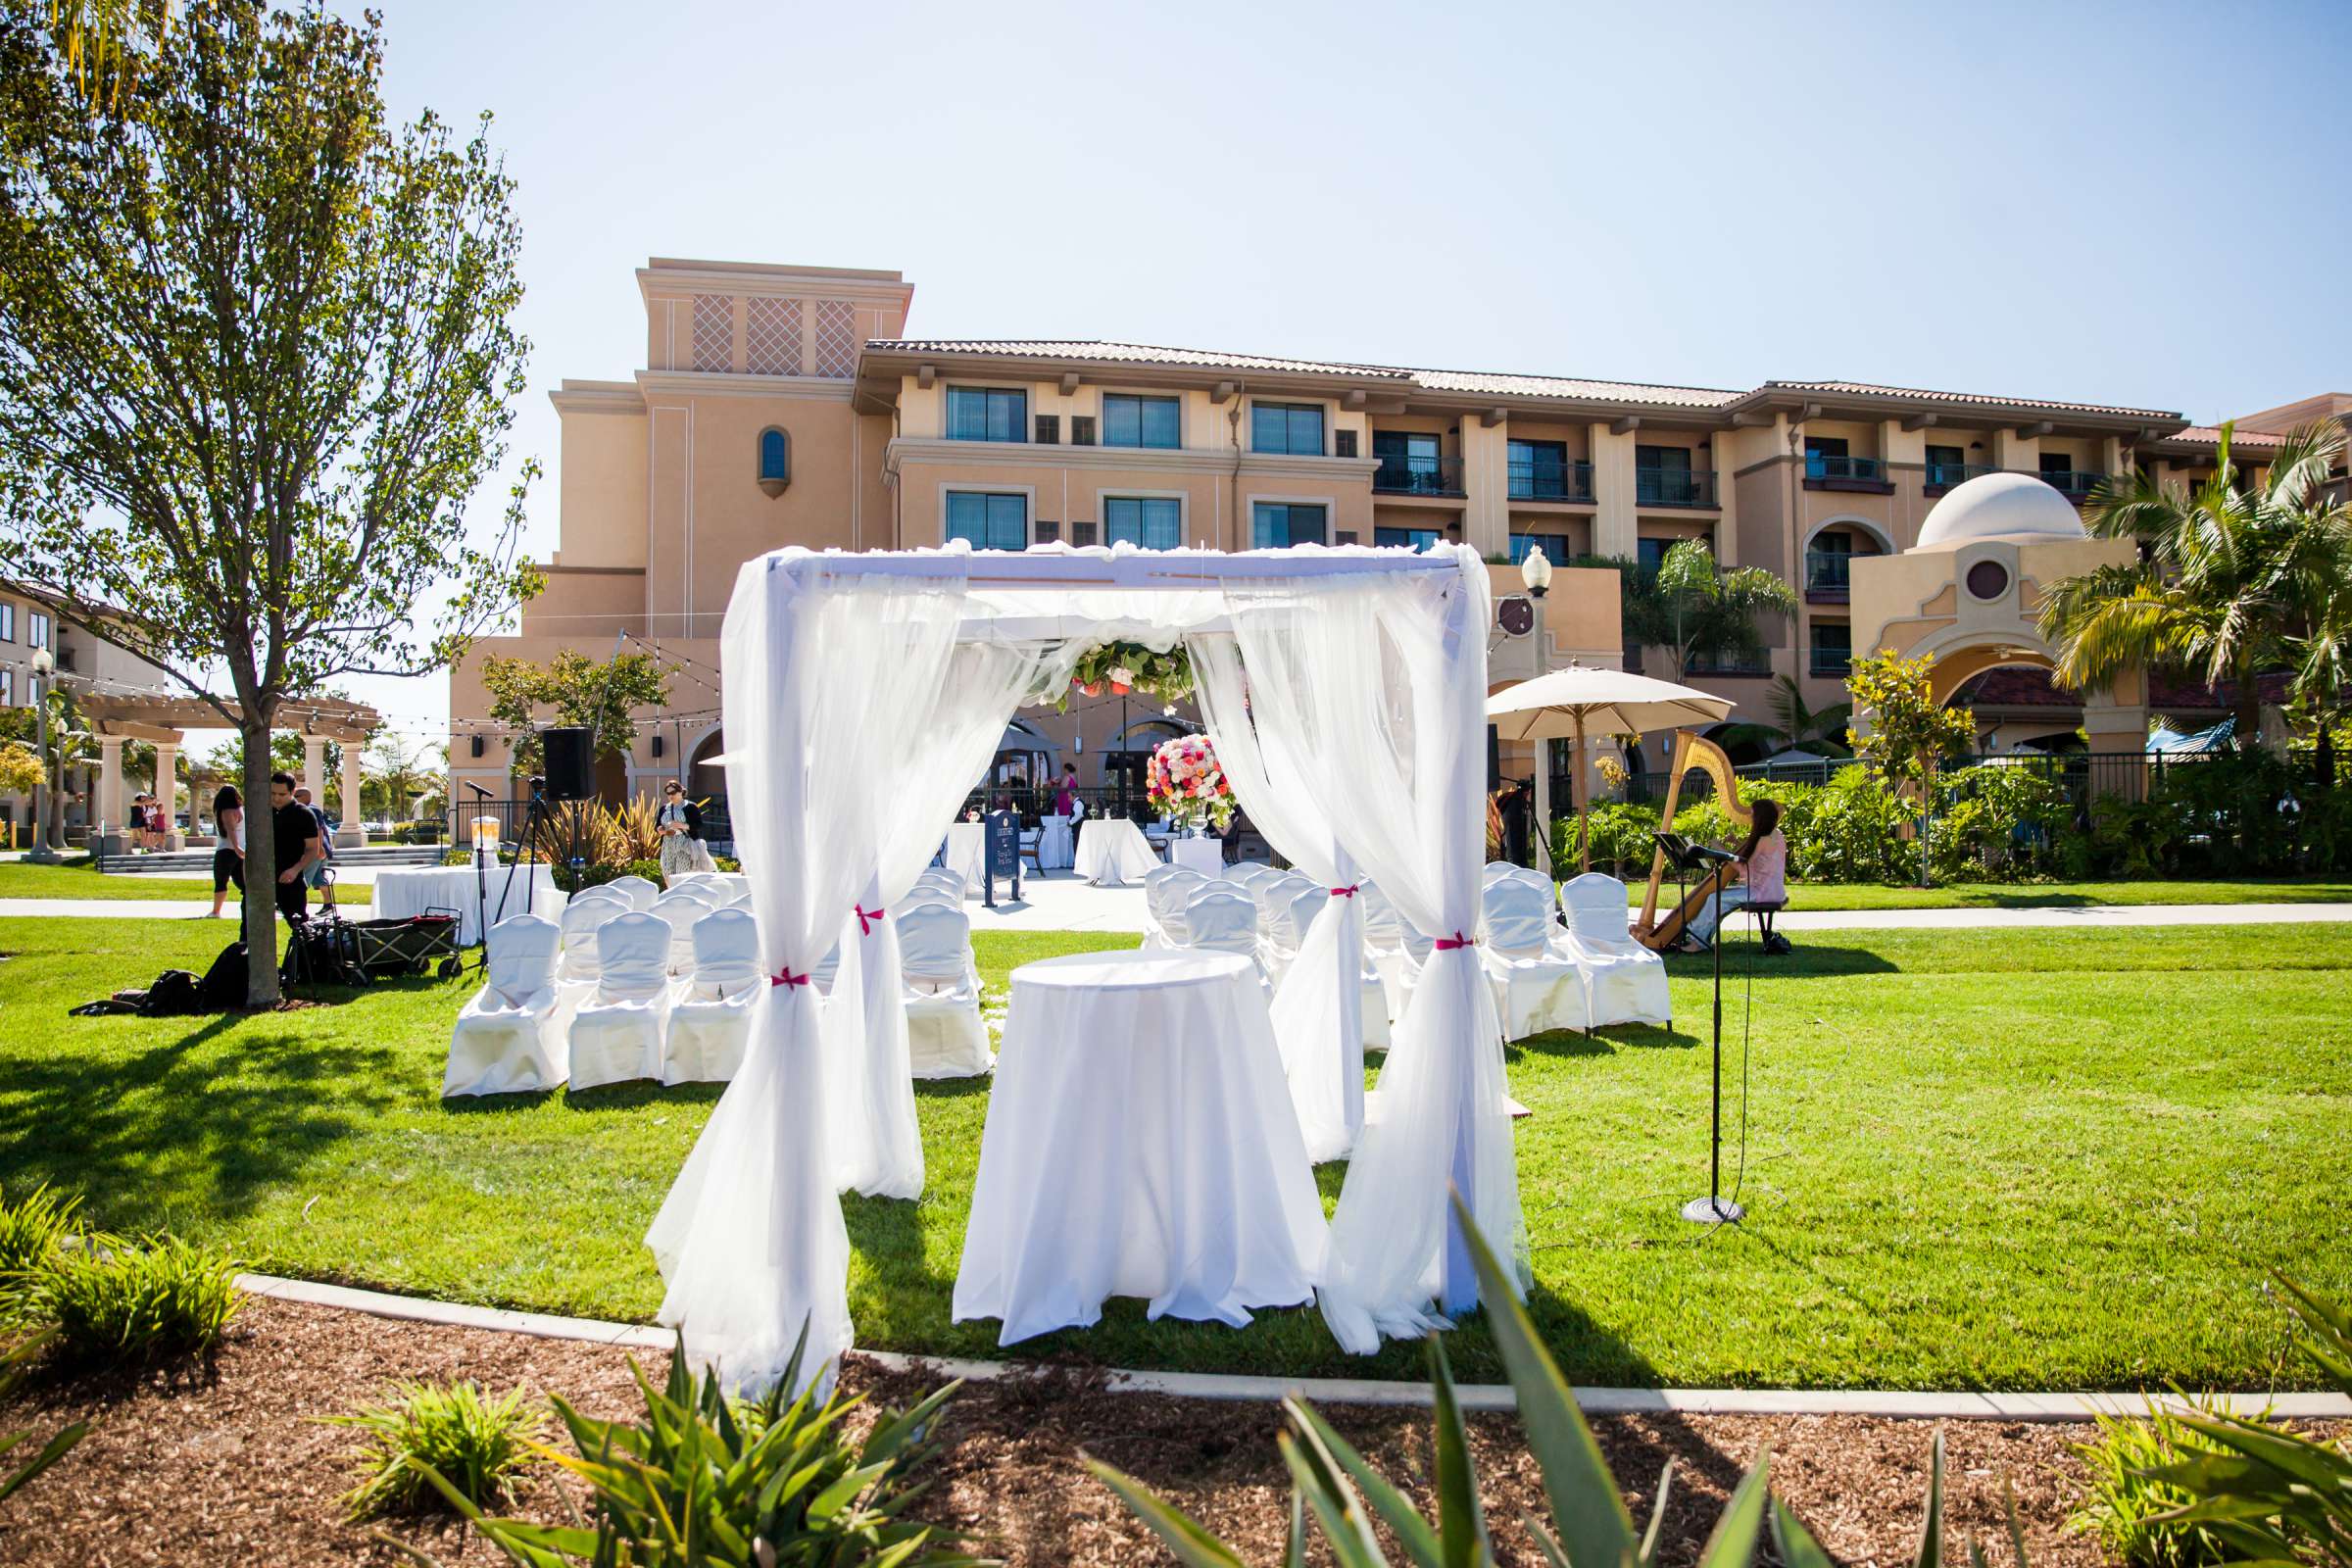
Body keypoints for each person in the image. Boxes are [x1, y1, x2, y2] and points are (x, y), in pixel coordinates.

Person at [1734, 797, 1789, 955]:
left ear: (1759, 818)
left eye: (1753, 815)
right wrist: (1736, 842)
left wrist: (1719, 849)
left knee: (1713, 898)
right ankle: (1701, 936)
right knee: (1719, 899)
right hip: (1774, 891)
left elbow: (1742, 867)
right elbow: (1755, 857)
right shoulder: (1777, 834)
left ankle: (1698, 941)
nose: (1750, 818)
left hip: (1761, 893)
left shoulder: (1763, 839)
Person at [269, 771, 323, 926]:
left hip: (290, 878)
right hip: (261, 878)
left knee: (299, 927)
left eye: (282, 794)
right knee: (249, 927)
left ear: (292, 792)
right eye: (272, 793)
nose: (276, 798)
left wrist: (295, 869)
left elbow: (313, 849)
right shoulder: (261, 812)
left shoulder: (304, 814)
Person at [657, 779, 717, 878]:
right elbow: (658, 825)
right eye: (668, 793)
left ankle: (680, 892)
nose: (670, 796)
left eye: (673, 792)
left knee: (681, 874)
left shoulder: (690, 806)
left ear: (680, 791)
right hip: (667, 845)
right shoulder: (664, 808)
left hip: (684, 844)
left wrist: (681, 825)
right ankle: (672, 893)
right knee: (667, 873)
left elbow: (699, 825)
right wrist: (660, 830)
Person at [294, 785, 337, 910]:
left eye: (296, 796)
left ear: (306, 797)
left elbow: (317, 829)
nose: (293, 798)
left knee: (303, 878)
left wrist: (318, 849)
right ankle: (328, 905)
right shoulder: (311, 808)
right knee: (319, 878)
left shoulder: (310, 809)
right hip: (321, 850)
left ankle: (297, 905)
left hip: (316, 851)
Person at [206, 786, 243, 916]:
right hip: (240, 851)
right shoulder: (241, 810)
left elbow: (230, 830)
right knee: (242, 882)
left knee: (221, 881)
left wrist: (236, 847)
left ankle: (216, 911)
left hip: (226, 850)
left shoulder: (227, 811)